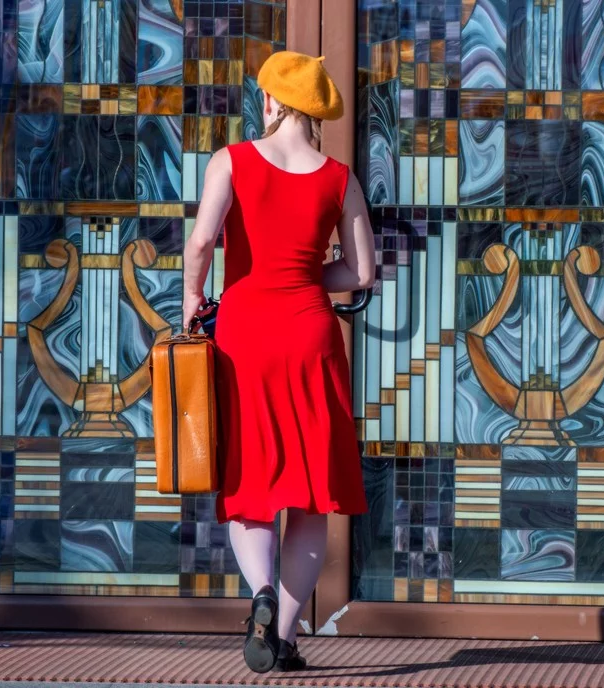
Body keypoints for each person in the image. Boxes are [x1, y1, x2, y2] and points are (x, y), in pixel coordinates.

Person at [182, 51, 375, 674]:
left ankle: (260, 593)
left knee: (251, 489)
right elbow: (362, 272)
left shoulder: (232, 161)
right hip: (311, 334)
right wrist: (304, 273)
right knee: (311, 495)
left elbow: (203, 240)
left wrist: (192, 297)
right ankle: (284, 638)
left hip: (246, 334)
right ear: (315, 113)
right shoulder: (339, 177)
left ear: (269, 102)